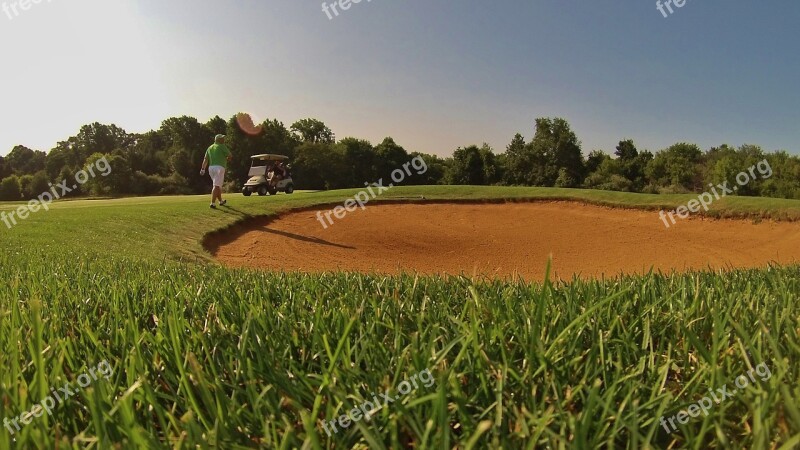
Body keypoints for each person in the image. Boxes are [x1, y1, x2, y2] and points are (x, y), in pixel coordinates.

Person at [200, 134, 233, 209]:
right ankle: (212, 203)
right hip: (219, 167)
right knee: (216, 186)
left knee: (217, 185)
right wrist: (227, 159)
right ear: (218, 140)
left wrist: (203, 169)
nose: (223, 140)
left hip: (211, 168)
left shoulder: (210, 147)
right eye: (222, 138)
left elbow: (205, 159)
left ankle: (221, 201)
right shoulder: (222, 146)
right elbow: (230, 155)